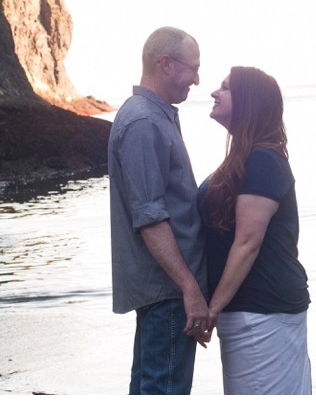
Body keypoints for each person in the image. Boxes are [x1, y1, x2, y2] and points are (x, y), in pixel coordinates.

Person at [197, 66, 312, 395]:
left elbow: (248, 242)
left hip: (264, 311)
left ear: (249, 102)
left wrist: (212, 309)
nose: (214, 92)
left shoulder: (262, 160)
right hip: (251, 311)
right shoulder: (245, 158)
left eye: (225, 88)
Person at [108, 26, 209, 394]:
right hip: (168, 290)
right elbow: (150, 218)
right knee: (163, 390)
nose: (197, 79)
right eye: (193, 68)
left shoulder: (154, 116)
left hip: (165, 288)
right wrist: (190, 288)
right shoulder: (144, 122)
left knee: (150, 389)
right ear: (165, 64)